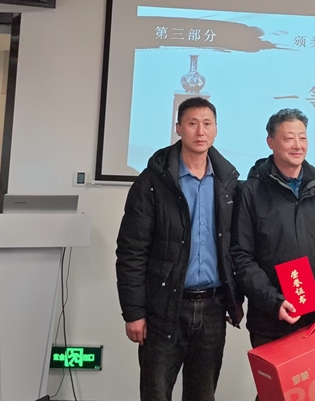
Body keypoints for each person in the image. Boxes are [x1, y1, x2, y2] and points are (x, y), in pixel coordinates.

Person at [115, 97, 243, 401]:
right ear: (178, 128)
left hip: (212, 308)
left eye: (207, 124)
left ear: (216, 130)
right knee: (156, 393)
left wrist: (236, 298)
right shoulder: (153, 183)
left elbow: (237, 248)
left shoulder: (228, 184)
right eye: (192, 123)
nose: (200, 131)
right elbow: (132, 251)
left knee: (202, 395)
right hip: (164, 308)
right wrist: (134, 312)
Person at [230, 108, 315, 351]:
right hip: (272, 322)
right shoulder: (251, 192)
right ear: (270, 142)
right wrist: (273, 301)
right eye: (289, 138)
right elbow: (241, 256)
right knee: (276, 378)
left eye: (302, 137)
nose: (298, 145)